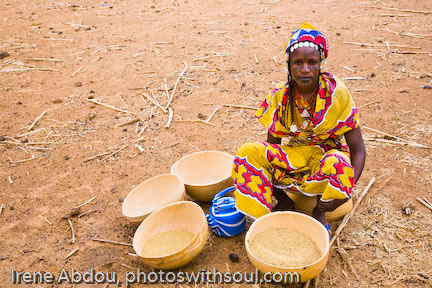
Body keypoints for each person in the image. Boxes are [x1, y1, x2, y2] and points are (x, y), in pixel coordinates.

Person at [232, 22, 366, 237]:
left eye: (312, 62)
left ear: (320, 63)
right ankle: (285, 203)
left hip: (327, 161)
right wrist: (278, 190)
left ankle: (319, 211)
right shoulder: (280, 97)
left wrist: (347, 187)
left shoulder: (337, 93)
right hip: (297, 158)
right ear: (289, 64)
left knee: (339, 164)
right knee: (249, 152)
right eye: (298, 62)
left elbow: (358, 149)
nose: (305, 69)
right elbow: (271, 148)